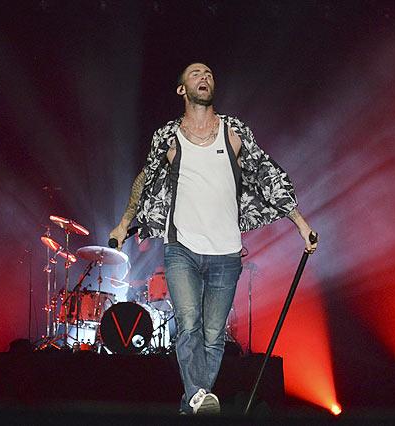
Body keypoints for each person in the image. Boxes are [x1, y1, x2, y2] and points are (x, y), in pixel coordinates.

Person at [109, 62, 318, 414]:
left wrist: (299, 221)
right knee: (188, 323)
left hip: (226, 252)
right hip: (182, 248)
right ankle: (198, 395)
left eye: (208, 74)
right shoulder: (168, 137)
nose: (204, 78)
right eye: (195, 74)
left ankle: (193, 401)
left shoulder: (233, 132)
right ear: (182, 90)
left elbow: (267, 173)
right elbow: (144, 179)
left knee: (213, 334)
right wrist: (123, 222)